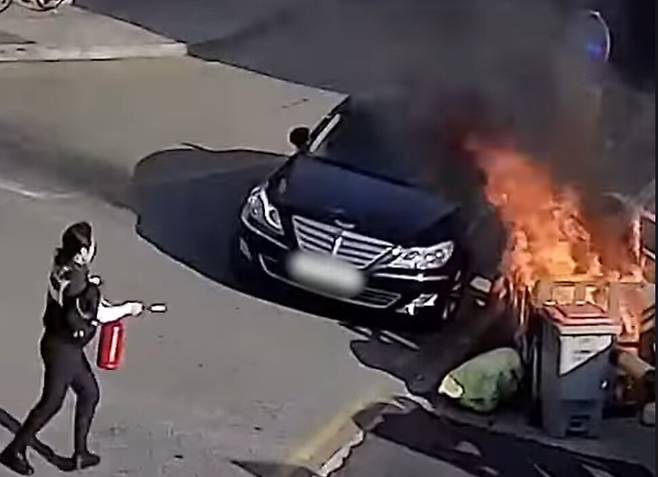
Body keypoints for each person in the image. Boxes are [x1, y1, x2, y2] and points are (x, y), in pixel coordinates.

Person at [0, 222, 144, 475]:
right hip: (62, 350)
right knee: (51, 403)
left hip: (62, 344)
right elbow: (100, 314)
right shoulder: (78, 279)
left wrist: (91, 285)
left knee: (89, 392)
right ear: (81, 253)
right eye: (91, 245)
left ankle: (80, 453)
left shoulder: (64, 266)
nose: (94, 247)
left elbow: (76, 298)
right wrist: (129, 308)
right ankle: (14, 451)